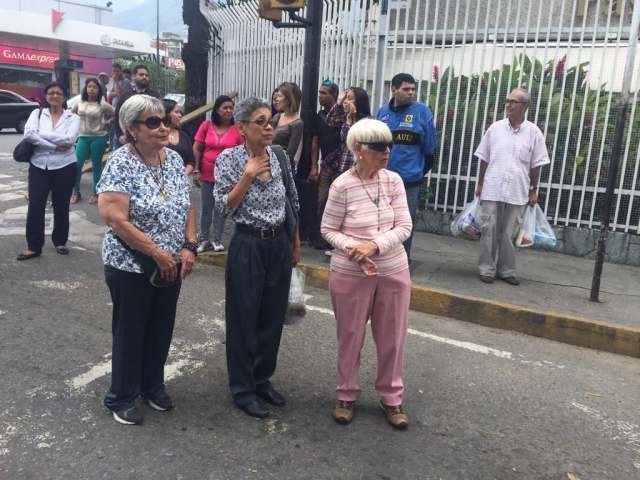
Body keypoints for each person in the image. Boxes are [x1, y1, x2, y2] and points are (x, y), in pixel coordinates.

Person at [96, 94, 197, 425]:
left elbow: (187, 205)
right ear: (132, 129)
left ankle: (152, 386)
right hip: (132, 264)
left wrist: (189, 246)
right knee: (131, 329)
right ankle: (121, 396)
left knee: (161, 326)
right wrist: (156, 252)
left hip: (171, 262)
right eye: (153, 122)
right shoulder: (120, 163)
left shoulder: (171, 159)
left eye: (164, 120)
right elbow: (114, 218)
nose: (163, 127)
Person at [321, 118, 412, 429]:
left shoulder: (393, 181)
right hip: (349, 272)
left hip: (393, 269)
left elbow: (404, 226)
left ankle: (392, 398)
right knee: (350, 335)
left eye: (388, 145)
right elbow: (328, 229)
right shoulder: (341, 185)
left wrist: (373, 246)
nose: (386, 152)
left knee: (393, 338)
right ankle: (346, 394)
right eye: (378, 147)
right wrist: (353, 248)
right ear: (358, 149)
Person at [213, 97, 301, 419]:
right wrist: (247, 175)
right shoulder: (229, 159)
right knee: (243, 318)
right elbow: (224, 208)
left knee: (271, 317)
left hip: (277, 244)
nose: (268, 127)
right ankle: (242, 389)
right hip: (248, 246)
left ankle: (262, 378)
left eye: (270, 121)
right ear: (242, 128)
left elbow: (291, 201)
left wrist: (294, 241)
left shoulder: (279, 156)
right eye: (260, 122)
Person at [474, 87, 550, 285]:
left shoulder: (534, 133)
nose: (508, 105)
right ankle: (487, 269)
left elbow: (536, 164)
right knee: (488, 230)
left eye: (513, 102)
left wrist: (534, 189)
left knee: (509, 234)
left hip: (518, 190)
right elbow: (484, 158)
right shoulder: (495, 129)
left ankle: (506, 271)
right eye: (507, 101)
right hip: (492, 188)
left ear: (524, 106)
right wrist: (480, 184)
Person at [17, 81, 80, 261]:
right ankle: (33, 246)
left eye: (58, 93)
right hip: (39, 165)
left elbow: (69, 140)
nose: (54, 96)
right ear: (46, 97)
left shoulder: (73, 118)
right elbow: (29, 134)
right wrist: (53, 145)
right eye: (51, 93)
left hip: (65, 166)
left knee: (61, 205)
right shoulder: (36, 114)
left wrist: (41, 135)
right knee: (36, 205)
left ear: (64, 97)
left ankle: (60, 241)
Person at [377, 73, 437, 260]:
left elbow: (430, 150)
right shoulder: (382, 113)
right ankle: (382, 258)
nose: (411, 93)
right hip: (383, 180)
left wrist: (417, 173)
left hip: (409, 182)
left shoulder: (422, 112)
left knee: (405, 223)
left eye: (413, 89)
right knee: (382, 221)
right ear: (393, 89)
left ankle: (402, 261)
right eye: (406, 89)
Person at [193, 95, 243, 253]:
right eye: (225, 107)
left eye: (231, 107)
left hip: (227, 177)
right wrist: (196, 169)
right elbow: (197, 148)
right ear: (217, 109)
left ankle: (216, 239)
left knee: (221, 208)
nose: (228, 110)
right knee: (206, 208)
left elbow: (242, 153)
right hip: (207, 173)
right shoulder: (206, 125)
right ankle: (203, 239)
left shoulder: (237, 130)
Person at [70, 77, 115, 204]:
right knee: (77, 165)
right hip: (83, 137)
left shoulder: (102, 104)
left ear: (98, 90)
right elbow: (70, 115)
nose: (92, 89)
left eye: (94, 87)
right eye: (89, 86)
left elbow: (114, 114)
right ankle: (76, 192)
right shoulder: (79, 103)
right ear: (86, 88)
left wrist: (106, 123)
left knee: (96, 166)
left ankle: (96, 193)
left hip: (99, 137)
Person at [308, 80, 340, 250]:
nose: (320, 96)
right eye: (319, 92)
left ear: (333, 95)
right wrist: (314, 166)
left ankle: (335, 239)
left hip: (341, 167)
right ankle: (321, 237)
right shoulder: (319, 116)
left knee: (338, 203)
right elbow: (315, 142)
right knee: (322, 200)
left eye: (324, 93)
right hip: (326, 166)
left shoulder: (341, 116)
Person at [114, 65, 161, 146]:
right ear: (133, 77)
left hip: (148, 138)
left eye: (147, 75)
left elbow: (160, 116)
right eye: (141, 75)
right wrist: (120, 135)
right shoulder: (125, 95)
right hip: (127, 138)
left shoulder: (155, 96)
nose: (144, 77)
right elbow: (118, 115)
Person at [271, 82, 304, 170]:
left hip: (281, 167)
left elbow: (290, 153)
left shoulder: (297, 123)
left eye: (279, 96)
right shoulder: (277, 116)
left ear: (289, 100)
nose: (276, 99)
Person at [163, 99, 195, 175]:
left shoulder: (184, 136)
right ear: (165, 113)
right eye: (176, 112)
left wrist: (181, 175)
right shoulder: (156, 136)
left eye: (180, 112)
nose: (180, 115)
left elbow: (191, 161)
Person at [107, 63, 132, 150]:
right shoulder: (114, 82)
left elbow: (119, 94)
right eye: (113, 71)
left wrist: (117, 82)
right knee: (113, 132)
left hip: (122, 112)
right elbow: (110, 94)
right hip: (114, 110)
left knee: (119, 134)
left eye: (117, 71)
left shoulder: (126, 82)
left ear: (121, 71)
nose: (115, 73)